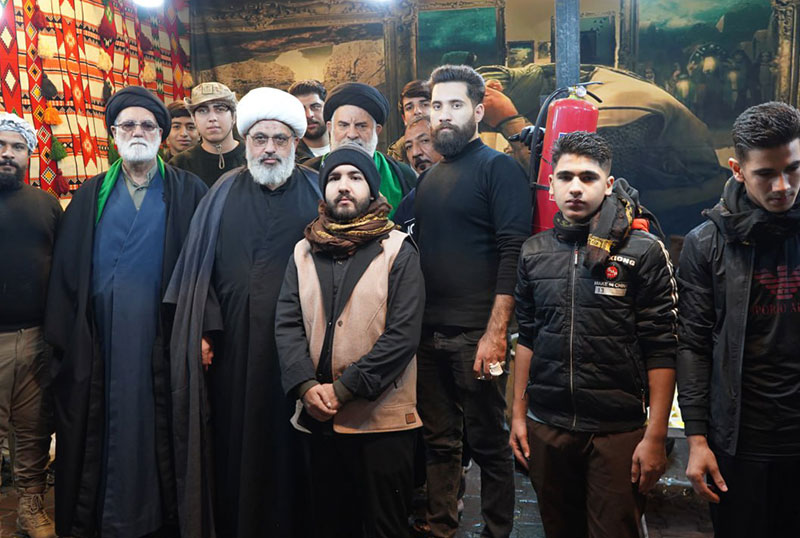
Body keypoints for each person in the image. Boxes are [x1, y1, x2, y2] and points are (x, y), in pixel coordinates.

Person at [44, 86, 208, 538]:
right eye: (128, 125)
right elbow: (66, 274)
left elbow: (207, 268)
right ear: (113, 134)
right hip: (100, 343)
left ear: (162, 134)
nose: (138, 132)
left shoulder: (188, 191)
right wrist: (68, 338)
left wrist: (203, 330)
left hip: (165, 339)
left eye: (148, 125)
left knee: (159, 431)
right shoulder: (90, 195)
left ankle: (161, 520)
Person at [165, 87, 321, 538]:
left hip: (302, 349)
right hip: (232, 348)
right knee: (236, 440)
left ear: (295, 143)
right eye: (259, 138)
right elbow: (198, 270)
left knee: (295, 446)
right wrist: (203, 329)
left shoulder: (317, 190)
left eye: (279, 139)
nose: (269, 148)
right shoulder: (222, 192)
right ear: (247, 141)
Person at [509, 131, 677, 538]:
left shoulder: (643, 251)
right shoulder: (534, 252)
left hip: (616, 430)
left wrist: (655, 434)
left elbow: (662, 346)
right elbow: (527, 337)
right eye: (566, 177)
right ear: (551, 186)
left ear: (608, 183)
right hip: (547, 424)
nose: (576, 187)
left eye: (588, 177)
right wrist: (517, 416)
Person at [275, 144, 425, 538]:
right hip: (317, 419)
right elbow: (287, 324)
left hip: (382, 423)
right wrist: (306, 386)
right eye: (335, 178)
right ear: (323, 189)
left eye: (355, 177)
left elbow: (402, 336)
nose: (344, 186)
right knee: (328, 525)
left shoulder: (398, 249)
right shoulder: (303, 251)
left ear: (372, 190)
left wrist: (342, 390)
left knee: (384, 528)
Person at [413, 64, 531, 538]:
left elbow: (513, 251)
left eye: (456, 105)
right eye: (437, 105)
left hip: (476, 336)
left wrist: (495, 332)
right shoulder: (429, 179)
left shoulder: (498, 168)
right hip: (427, 335)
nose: (444, 115)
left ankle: (497, 532)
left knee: (488, 444)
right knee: (439, 443)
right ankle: (442, 528)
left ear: (478, 112)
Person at [677, 101, 800, 538]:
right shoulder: (706, 244)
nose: (783, 186)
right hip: (739, 441)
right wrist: (696, 440)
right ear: (738, 170)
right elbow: (692, 344)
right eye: (766, 174)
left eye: (794, 169)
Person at [0, 112, 61, 538]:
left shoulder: (46, 204)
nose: (8, 154)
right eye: (1, 146)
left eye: (17, 147)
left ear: (28, 155)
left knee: (34, 430)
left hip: (36, 338)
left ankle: (30, 509)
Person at [304, 82, 416, 218]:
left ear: (377, 130)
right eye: (343, 125)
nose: (352, 134)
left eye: (361, 126)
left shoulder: (401, 174)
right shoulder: (307, 174)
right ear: (330, 128)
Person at [169, 82, 246, 187]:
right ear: (194, 119)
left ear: (233, 116)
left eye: (220, 109)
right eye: (203, 111)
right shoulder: (179, 166)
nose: (212, 118)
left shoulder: (253, 156)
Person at [387, 79, 432, 163]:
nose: (417, 111)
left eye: (424, 104)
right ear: (404, 118)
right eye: (409, 108)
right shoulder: (395, 157)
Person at [288, 79, 330, 163]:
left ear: (327, 108)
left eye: (315, 107)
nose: (309, 115)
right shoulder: (288, 158)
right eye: (301, 109)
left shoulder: (346, 147)